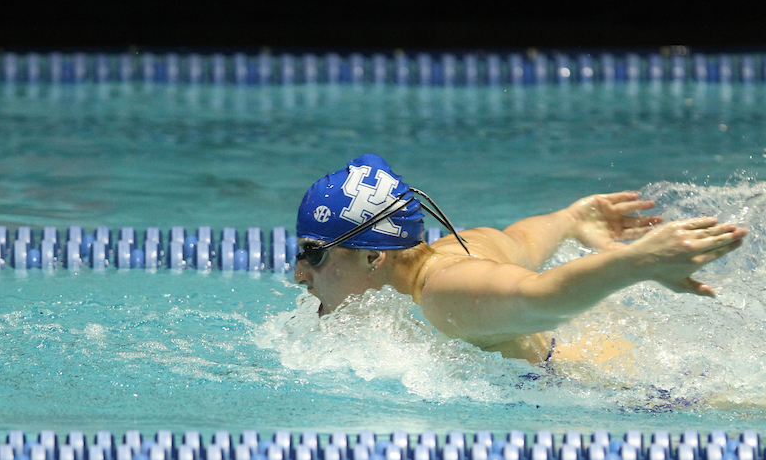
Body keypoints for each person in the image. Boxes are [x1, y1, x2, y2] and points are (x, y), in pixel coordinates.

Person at [293, 153, 748, 366]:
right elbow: (521, 240)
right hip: (646, 351)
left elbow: (540, 295)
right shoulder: (460, 247)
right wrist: (571, 218)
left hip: (640, 388)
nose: (299, 275)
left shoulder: (445, 293)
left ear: (374, 256)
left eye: (313, 254)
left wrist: (639, 262)